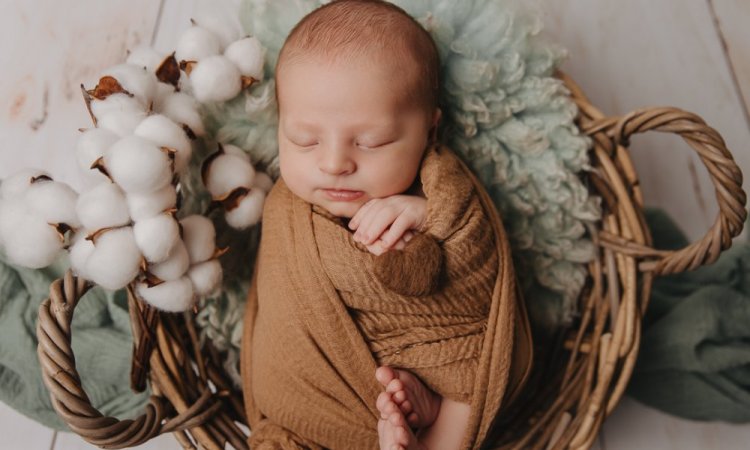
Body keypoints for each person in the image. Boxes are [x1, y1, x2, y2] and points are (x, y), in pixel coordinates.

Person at [242, 1, 529, 448]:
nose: (335, 163)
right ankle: (411, 412)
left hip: (436, 355)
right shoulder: (287, 209)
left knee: (483, 367)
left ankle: (433, 436)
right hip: (314, 390)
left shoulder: (440, 191)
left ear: (430, 132)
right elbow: (278, 317)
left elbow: (480, 285)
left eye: (371, 142)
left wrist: (429, 216)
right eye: (305, 140)